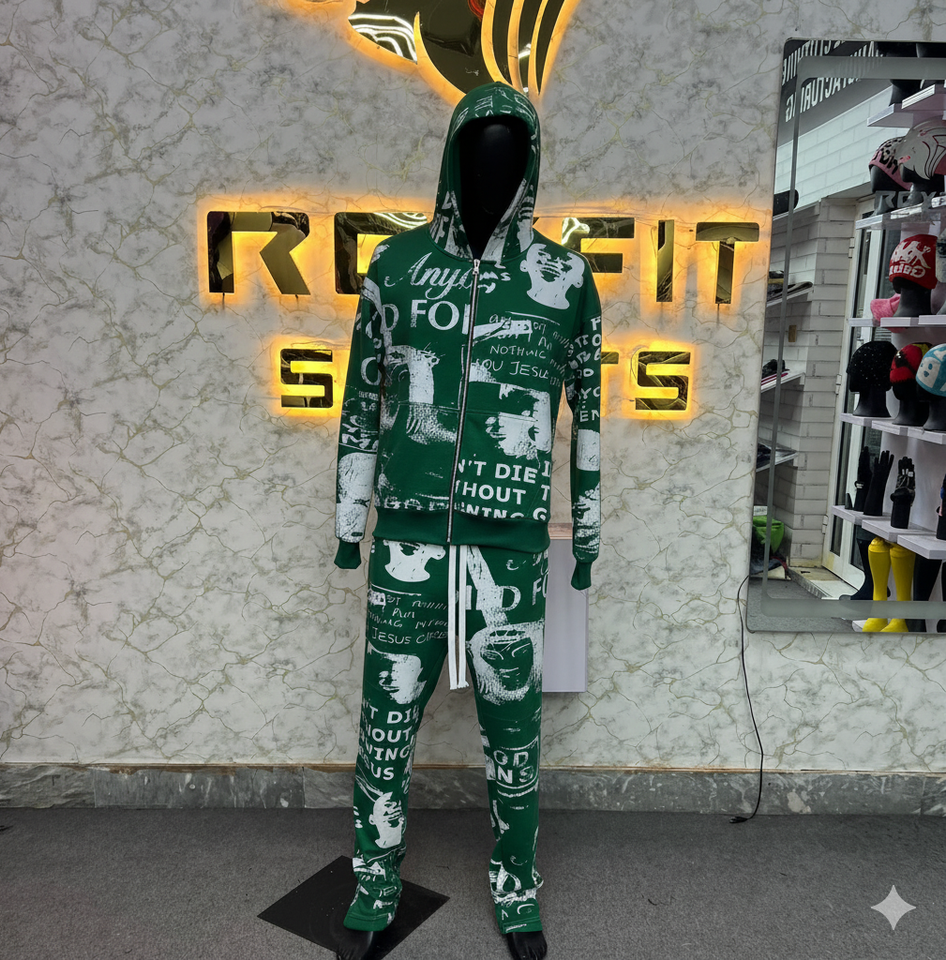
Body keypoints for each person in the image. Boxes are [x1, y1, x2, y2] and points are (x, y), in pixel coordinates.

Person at [333, 81, 602, 960]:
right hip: (408, 540)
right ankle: (374, 881)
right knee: (385, 722)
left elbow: (590, 415)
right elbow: (360, 401)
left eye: (510, 154)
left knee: (513, 734)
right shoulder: (396, 266)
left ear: (531, 165)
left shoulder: (565, 279)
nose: (494, 169)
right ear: (452, 158)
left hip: (510, 545)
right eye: (478, 152)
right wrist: (350, 518)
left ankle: (517, 890)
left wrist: (586, 530)